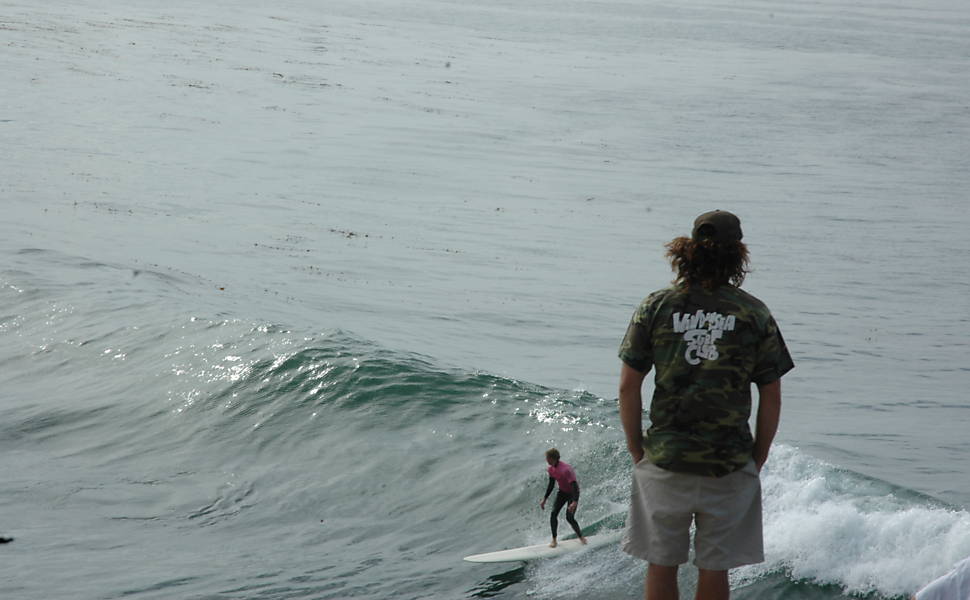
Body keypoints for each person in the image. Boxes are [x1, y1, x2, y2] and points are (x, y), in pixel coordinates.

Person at [617, 210, 794, 600]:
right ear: (738, 255)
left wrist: (637, 449)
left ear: (689, 249)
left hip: (666, 458)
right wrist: (757, 455)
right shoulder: (753, 313)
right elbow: (772, 392)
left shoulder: (657, 306)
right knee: (715, 568)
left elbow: (629, 387)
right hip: (728, 463)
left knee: (661, 564)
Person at [539, 448, 587, 548]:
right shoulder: (551, 469)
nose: (546, 460)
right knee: (553, 514)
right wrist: (545, 499)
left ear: (552, 458)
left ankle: (581, 537)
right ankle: (554, 540)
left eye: (547, 458)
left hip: (572, 494)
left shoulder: (566, 470)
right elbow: (551, 485)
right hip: (562, 493)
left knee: (569, 517)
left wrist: (575, 501)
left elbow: (574, 486)